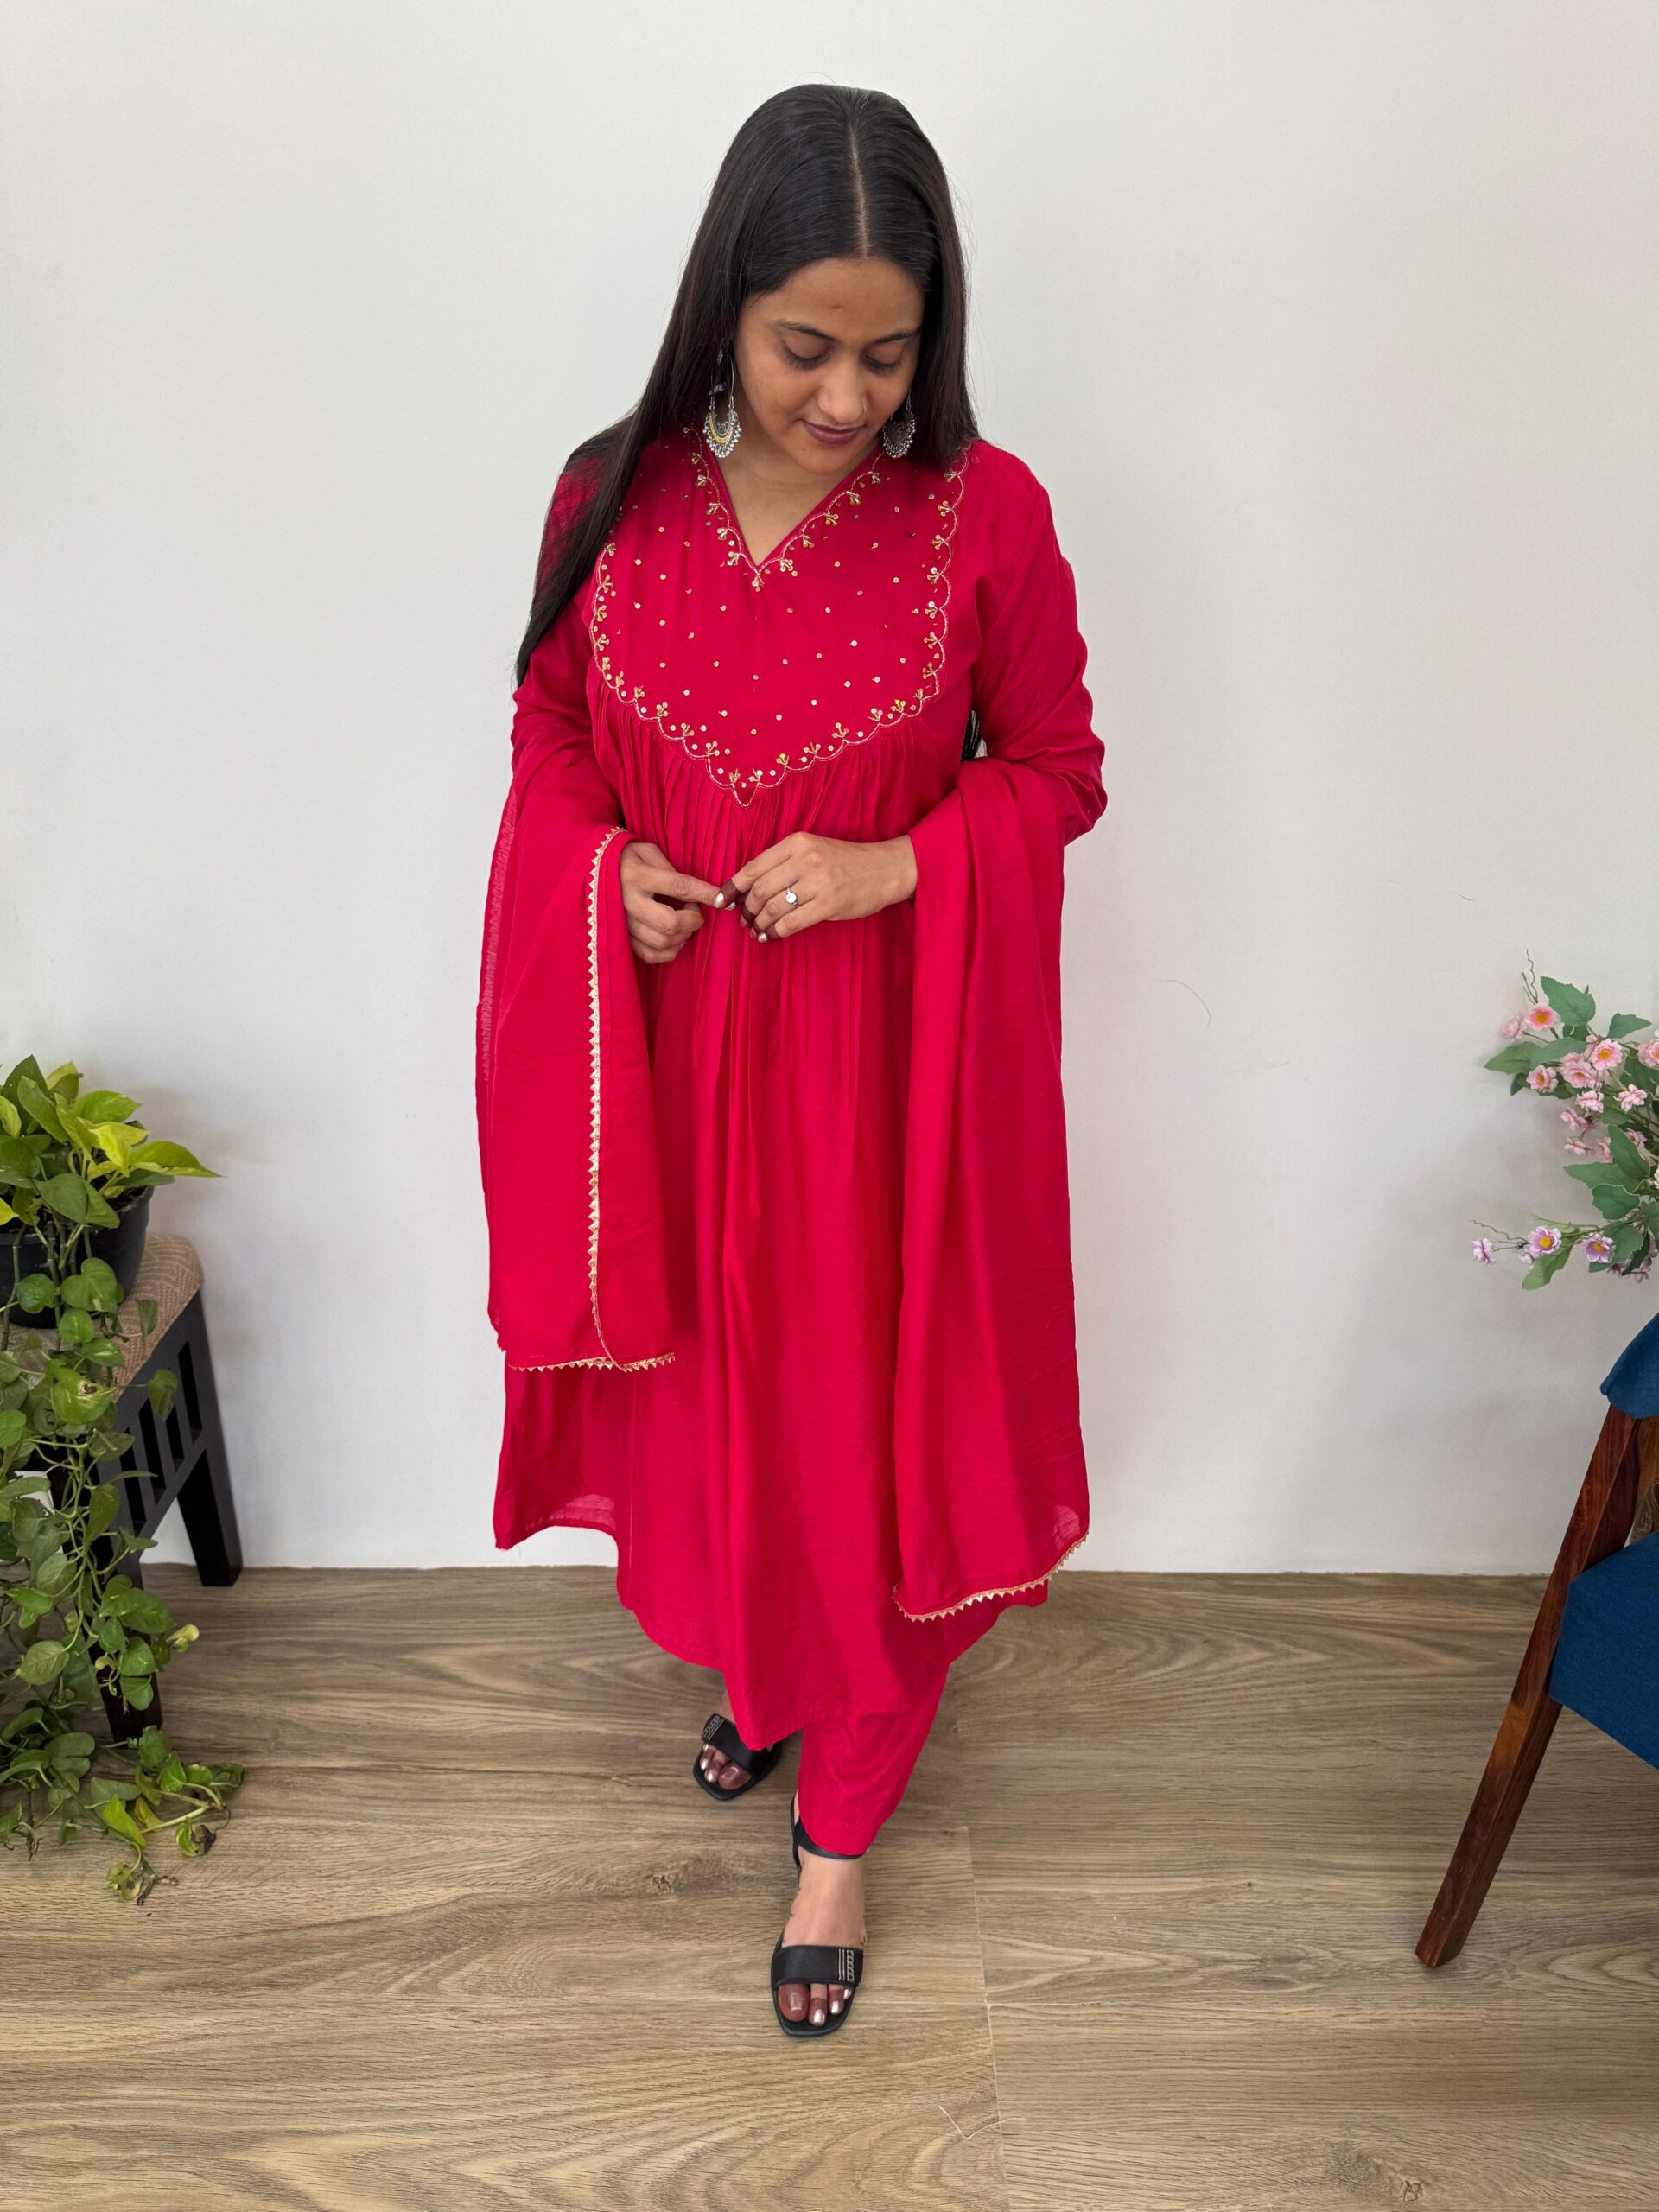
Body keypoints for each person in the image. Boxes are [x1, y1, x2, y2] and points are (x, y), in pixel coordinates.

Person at [475, 82, 1107, 2041]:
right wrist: (606, 870)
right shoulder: (607, 493)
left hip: (877, 1092)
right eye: (804, 347)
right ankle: (765, 1676)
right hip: (664, 1070)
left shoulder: (984, 517)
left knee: (863, 1434)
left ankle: (841, 1831)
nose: (846, 396)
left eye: (889, 355)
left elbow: (1058, 772)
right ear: (724, 309)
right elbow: (548, 725)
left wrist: (897, 862)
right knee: (714, 1411)